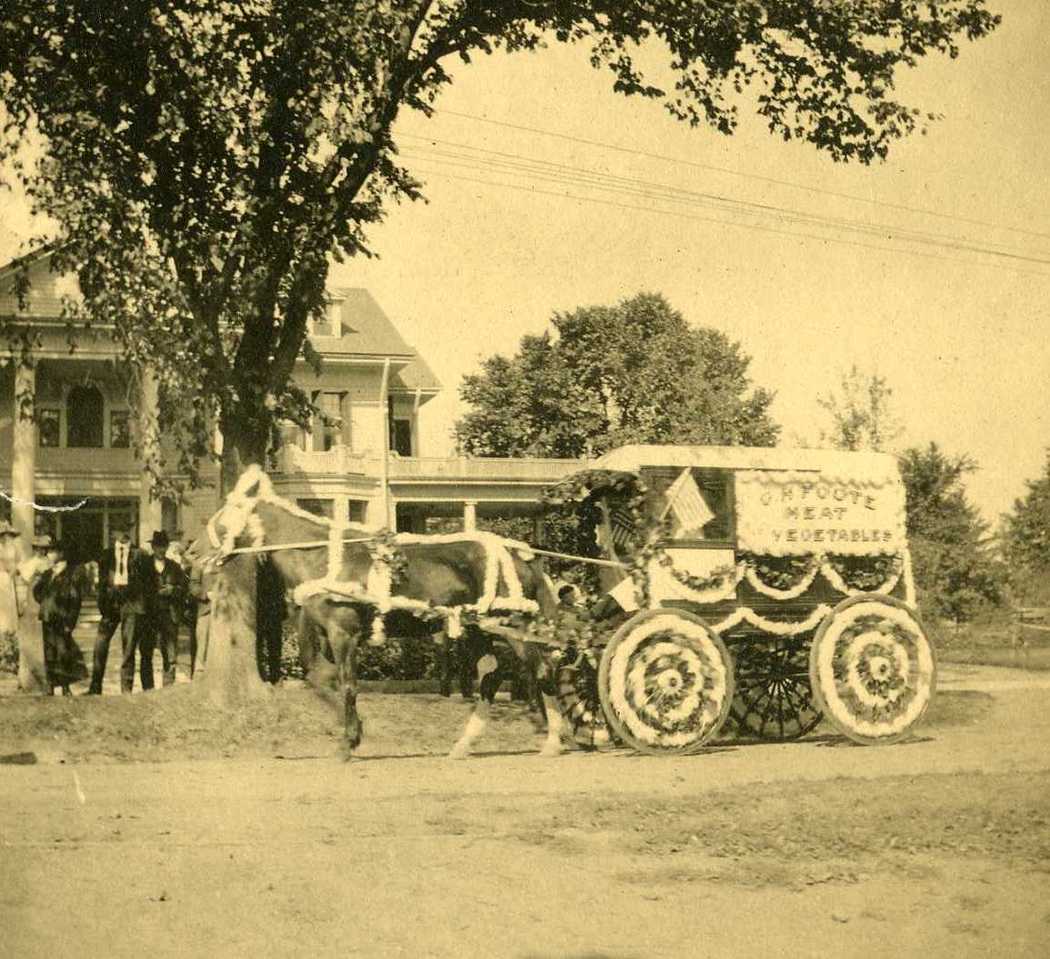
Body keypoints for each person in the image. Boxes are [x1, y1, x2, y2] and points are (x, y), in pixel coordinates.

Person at [86, 520, 147, 695]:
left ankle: (126, 690)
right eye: (118, 530)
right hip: (111, 604)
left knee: (128, 647)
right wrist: (102, 603)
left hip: (132, 603)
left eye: (125, 529)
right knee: (100, 642)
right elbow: (101, 582)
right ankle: (95, 686)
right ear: (112, 533)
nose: (122, 534)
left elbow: (147, 584)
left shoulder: (141, 554)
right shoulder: (105, 555)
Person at [33, 539, 88, 695]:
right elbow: (37, 592)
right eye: (48, 552)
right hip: (48, 617)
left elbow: (75, 600)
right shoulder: (47, 573)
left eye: (52, 552)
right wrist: (45, 603)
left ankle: (65, 686)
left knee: (63, 652)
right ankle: (50, 686)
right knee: (49, 652)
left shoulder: (71, 574)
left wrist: (70, 621)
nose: (49, 555)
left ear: (61, 554)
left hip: (62, 618)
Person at [141, 530, 186, 688]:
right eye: (158, 546)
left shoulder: (174, 566)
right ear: (152, 547)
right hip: (148, 615)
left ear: (167, 547)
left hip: (169, 614)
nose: (161, 549)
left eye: (164, 546)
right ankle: (148, 688)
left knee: (170, 653)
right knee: (146, 652)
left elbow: (184, 588)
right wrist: (152, 591)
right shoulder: (143, 564)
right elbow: (138, 588)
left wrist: (173, 590)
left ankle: (168, 688)